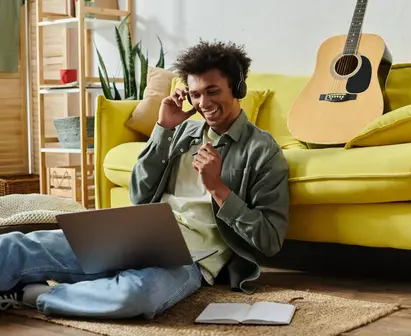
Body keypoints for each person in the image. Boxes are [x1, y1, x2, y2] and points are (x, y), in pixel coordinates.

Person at [0, 40, 290, 319]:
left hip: (191, 259)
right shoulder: (180, 133)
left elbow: (270, 240)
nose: (204, 103)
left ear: (238, 87)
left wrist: (218, 189)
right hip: (136, 237)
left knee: (137, 294)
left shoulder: (262, 151)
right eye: (196, 94)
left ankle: (33, 295)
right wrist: (163, 128)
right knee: (17, 246)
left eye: (213, 91)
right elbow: (139, 196)